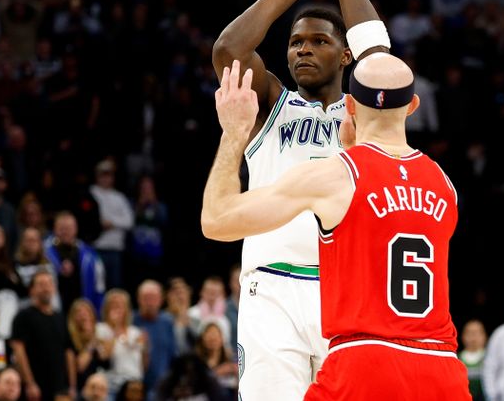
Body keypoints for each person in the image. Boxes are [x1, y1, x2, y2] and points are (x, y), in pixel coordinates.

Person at [201, 52, 470, 398]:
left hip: (366, 361)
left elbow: (216, 220)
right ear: (413, 105)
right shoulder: (444, 184)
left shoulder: (337, 175)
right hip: (441, 367)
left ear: (351, 106)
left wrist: (234, 133)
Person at [209, 0, 388, 400]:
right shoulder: (271, 105)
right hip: (272, 288)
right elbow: (228, 52)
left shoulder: (367, 110)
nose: (303, 49)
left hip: (348, 291)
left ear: (345, 53)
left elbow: (379, 54)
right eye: (295, 43)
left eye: (318, 41)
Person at [10, 269, 76, 401]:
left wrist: (72, 385)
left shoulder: (60, 318)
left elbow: (68, 352)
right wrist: (29, 383)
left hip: (60, 388)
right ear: (32, 290)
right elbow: (18, 350)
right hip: (35, 389)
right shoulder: (23, 316)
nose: (46, 288)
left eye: (49, 283)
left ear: (54, 288)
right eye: (41, 284)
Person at [44, 211, 106, 312]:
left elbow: (99, 287)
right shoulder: (44, 252)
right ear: (54, 229)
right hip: (54, 310)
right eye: (61, 228)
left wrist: (97, 311)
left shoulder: (90, 256)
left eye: (69, 228)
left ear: (76, 229)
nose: (65, 232)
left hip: (82, 310)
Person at [90, 160, 134, 290]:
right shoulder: (91, 193)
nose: (105, 178)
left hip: (115, 251)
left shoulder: (119, 197)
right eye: (102, 174)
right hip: (95, 248)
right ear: (97, 176)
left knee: (115, 287)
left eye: (108, 175)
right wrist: (99, 223)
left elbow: (129, 221)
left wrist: (111, 222)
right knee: (96, 286)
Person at [95, 289, 146, 400]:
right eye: (113, 304)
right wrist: (115, 328)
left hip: (134, 384)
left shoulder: (135, 331)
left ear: (127, 309)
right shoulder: (100, 329)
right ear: (106, 308)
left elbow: (142, 364)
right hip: (113, 385)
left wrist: (146, 348)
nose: (117, 308)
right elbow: (104, 357)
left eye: (120, 305)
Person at [132, 280, 175, 399]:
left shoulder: (168, 322)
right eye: (146, 298)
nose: (150, 302)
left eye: (154, 298)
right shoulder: (131, 320)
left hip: (163, 387)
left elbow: (173, 355)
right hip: (136, 387)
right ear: (138, 299)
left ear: (161, 300)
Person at [67, 298, 109, 393]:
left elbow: (105, 361)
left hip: (100, 389)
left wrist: (94, 338)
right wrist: (91, 344)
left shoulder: (98, 334)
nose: (83, 315)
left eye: (86, 311)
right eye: (79, 312)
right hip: (82, 389)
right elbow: (80, 367)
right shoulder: (70, 338)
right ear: (73, 317)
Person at [459, 320, 487, 401]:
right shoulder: (456, 359)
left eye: (477, 332)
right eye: (470, 333)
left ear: (484, 336)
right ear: (463, 336)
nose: (473, 336)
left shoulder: (491, 359)